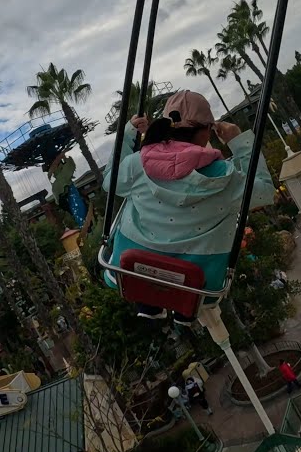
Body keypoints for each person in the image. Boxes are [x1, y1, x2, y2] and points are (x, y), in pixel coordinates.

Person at [104, 90, 275, 323]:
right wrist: (240, 142)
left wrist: (126, 135)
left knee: (133, 204)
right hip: (199, 285)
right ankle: (186, 311)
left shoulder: (137, 165)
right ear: (207, 131)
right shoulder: (225, 177)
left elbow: (109, 181)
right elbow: (265, 191)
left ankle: (149, 305)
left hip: (131, 272)